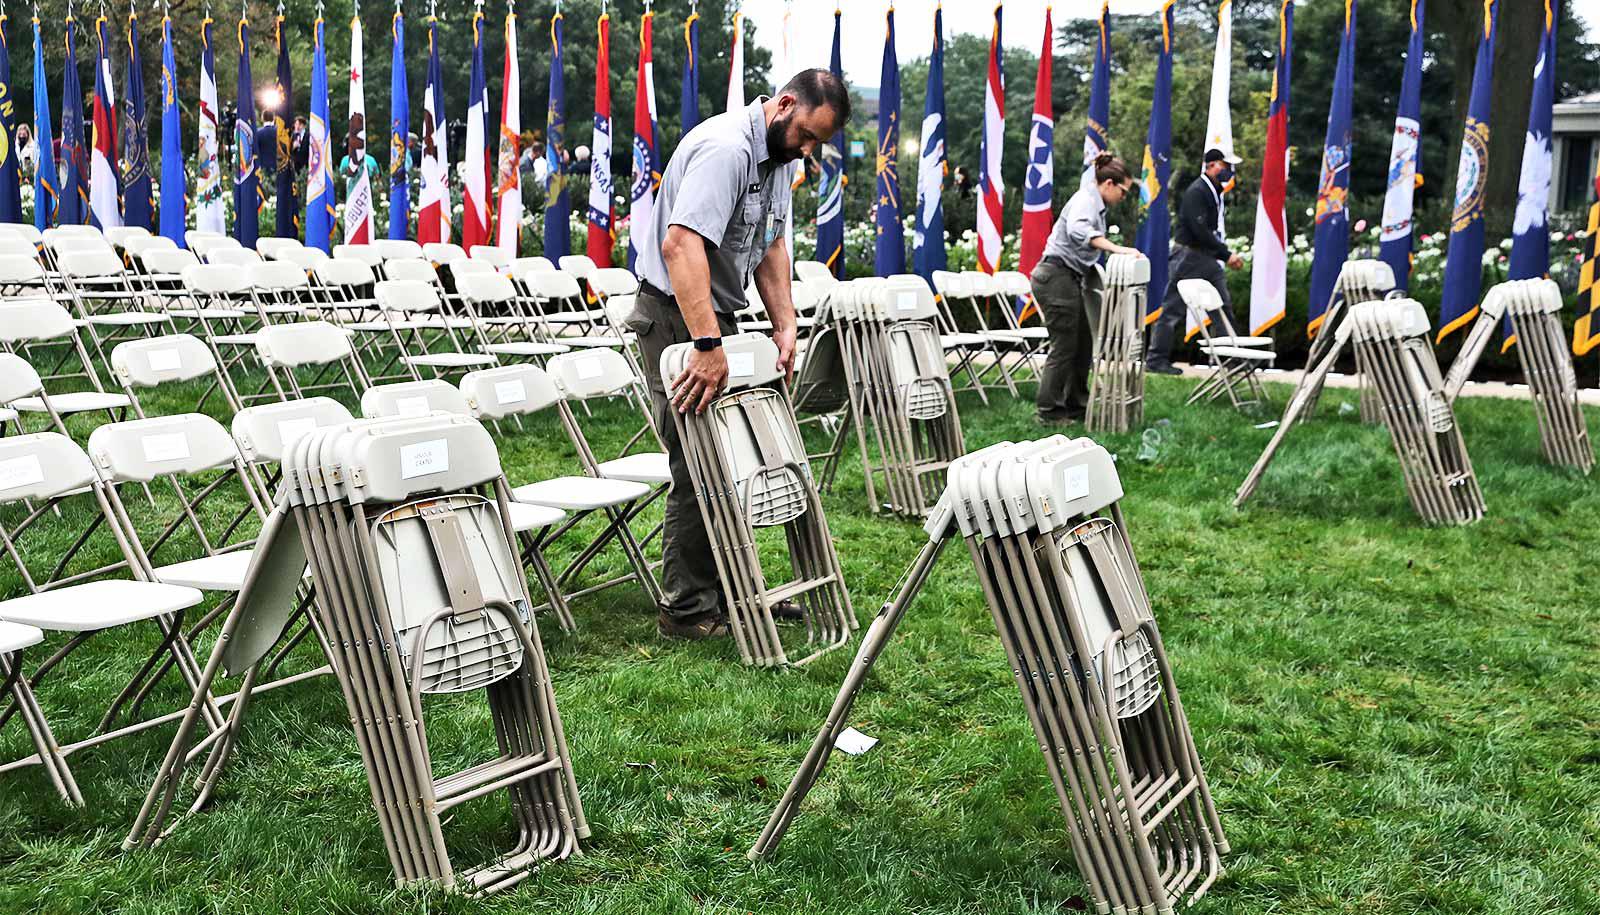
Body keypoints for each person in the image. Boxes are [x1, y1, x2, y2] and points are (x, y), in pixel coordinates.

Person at [631, 67, 849, 641]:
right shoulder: (726, 150)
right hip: (676, 316)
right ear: (783, 106)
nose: (807, 150)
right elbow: (680, 245)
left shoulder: (776, 161)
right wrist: (705, 344)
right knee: (696, 462)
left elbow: (772, 243)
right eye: (805, 135)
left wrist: (785, 324)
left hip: (711, 317)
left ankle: (728, 588)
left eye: (817, 144)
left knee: (729, 461)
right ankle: (685, 608)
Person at [1029, 153, 1141, 425]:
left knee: (1082, 345)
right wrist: (1117, 248)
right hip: (1056, 276)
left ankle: (1076, 405)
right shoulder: (1086, 200)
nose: (1123, 198)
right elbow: (1079, 231)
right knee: (1064, 346)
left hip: (1067, 278)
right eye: (1123, 192)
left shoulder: (1095, 203)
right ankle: (1049, 412)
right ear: (1109, 184)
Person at [1146, 147, 1244, 375]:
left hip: (1205, 257)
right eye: (1225, 165)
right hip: (1189, 257)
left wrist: (1220, 253)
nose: (1230, 171)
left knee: (1222, 307)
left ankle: (1233, 358)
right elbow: (1199, 230)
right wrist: (1226, 255)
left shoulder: (1213, 191)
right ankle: (1156, 360)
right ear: (1211, 166)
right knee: (1172, 310)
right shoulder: (1197, 191)